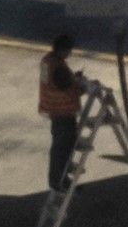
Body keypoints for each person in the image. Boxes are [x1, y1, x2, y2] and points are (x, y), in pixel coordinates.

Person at [35, 35, 90, 190]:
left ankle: (60, 180)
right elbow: (68, 90)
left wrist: (73, 77)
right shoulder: (59, 68)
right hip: (63, 113)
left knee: (58, 149)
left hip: (53, 111)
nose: (69, 54)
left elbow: (58, 82)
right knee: (63, 150)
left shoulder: (48, 61)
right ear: (62, 50)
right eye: (68, 51)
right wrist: (84, 87)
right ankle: (60, 182)